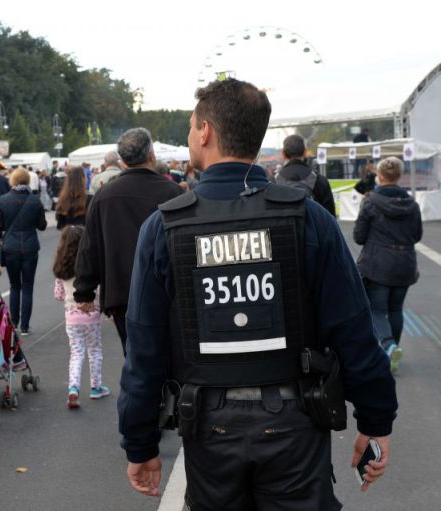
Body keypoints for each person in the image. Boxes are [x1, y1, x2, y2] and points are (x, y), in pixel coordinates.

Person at [119, 78, 396, 508]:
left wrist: (140, 442)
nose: (191, 136)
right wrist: (376, 420)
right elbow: (353, 328)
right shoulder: (309, 219)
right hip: (296, 422)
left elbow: (144, 348)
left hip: (209, 426)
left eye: (192, 127)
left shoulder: (164, 228)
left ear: (206, 131)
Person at [73, 128, 182, 356]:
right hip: (168, 291)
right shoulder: (174, 193)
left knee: (134, 357)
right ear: (151, 155)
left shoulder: (104, 196)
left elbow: (89, 247)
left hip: (122, 292)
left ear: (122, 161)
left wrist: (84, 290)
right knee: (172, 355)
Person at [354, 156, 422, 374]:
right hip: (404, 263)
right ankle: (393, 349)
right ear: (400, 176)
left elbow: (359, 236)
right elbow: (416, 235)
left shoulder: (371, 202)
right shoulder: (412, 205)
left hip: (377, 265)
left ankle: (388, 345)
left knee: (377, 309)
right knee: (396, 309)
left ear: (379, 177)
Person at [53, 225, 108, 409]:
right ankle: (96, 387)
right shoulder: (89, 268)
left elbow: (59, 295)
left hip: (71, 317)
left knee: (76, 353)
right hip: (91, 314)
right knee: (95, 350)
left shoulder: (61, 270)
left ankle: (73, 388)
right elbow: (99, 289)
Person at [0, 167, 47, 335]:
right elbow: (42, 225)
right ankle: (25, 326)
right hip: (30, 246)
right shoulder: (35, 200)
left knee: (14, 285)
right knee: (28, 286)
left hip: (10, 247)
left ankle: (14, 322)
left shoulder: (3, 199)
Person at [276, 134, 336, 216]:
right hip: (314, 227)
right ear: (305, 153)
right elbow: (330, 216)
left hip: (284, 227)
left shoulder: (275, 180)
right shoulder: (318, 179)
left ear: (283, 154)